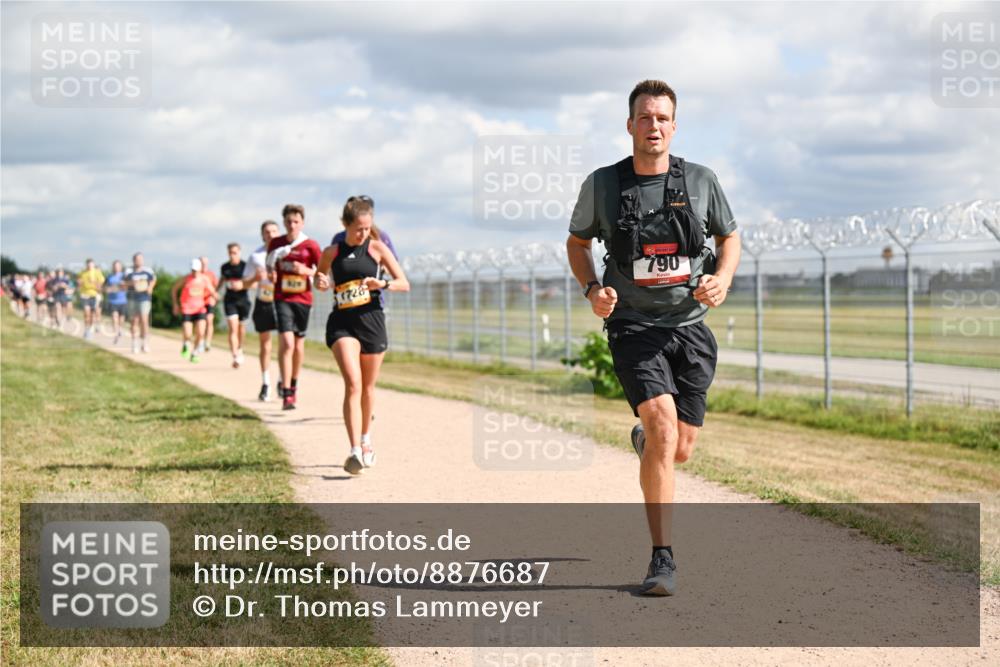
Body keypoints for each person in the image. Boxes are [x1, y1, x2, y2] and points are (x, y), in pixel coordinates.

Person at [566, 79, 741, 596]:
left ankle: (647, 444)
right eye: (645, 117)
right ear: (630, 125)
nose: (654, 126)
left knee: (678, 449)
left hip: (689, 326)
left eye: (663, 118)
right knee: (665, 430)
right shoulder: (603, 185)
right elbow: (577, 244)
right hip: (633, 326)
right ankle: (662, 559)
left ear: (674, 125)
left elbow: (729, 237)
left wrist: (722, 279)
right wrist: (591, 287)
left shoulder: (703, 181)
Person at [316, 196, 409, 474]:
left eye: (367, 228)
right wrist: (320, 282)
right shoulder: (331, 252)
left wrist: (382, 283)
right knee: (353, 383)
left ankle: (366, 439)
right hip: (342, 322)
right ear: (345, 224)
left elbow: (404, 283)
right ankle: (354, 450)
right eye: (359, 228)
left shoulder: (378, 248)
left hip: (372, 321)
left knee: (368, 387)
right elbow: (321, 280)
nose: (364, 233)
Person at [266, 204, 322, 410]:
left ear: (302, 223)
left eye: (296, 221)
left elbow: (323, 273)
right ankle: (287, 392)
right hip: (282, 298)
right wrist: (271, 272)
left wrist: (305, 270)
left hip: (303, 300)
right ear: (284, 223)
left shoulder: (311, 246)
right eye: (288, 222)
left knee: (298, 346)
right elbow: (269, 266)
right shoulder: (277, 243)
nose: (292, 225)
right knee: (287, 343)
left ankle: (293, 382)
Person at [330, 195, 398, 308]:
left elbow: (392, 265)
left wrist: (377, 269)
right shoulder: (339, 238)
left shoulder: (381, 237)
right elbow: (331, 265)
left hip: (373, 299)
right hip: (344, 300)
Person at [244, 220, 282, 401]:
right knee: (265, 345)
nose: (271, 235)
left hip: (283, 300)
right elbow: (245, 283)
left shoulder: (286, 252)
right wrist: (255, 278)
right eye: (267, 232)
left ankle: (283, 380)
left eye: (274, 231)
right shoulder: (255, 256)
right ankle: (266, 382)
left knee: (286, 343)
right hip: (264, 301)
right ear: (262, 235)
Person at [171, 258, 218, 363]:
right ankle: (186, 343)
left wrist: (215, 297)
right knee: (188, 333)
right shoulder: (186, 279)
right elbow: (174, 289)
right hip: (187, 309)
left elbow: (212, 290)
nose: (194, 272)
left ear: (200, 269)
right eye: (193, 270)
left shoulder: (204, 279)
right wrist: (175, 304)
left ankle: (195, 352)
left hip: (200, 309)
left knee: (201, 333)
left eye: (196, 270)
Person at [220, 243, 252, 368]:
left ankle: (239, 348)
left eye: (235, 252)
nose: (233, 255)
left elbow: (252, 283)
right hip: (230, 301)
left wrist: (242, 285)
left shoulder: (246, 267)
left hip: (243, 301)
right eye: (230, 253)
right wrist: (214, 293)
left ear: (239, 252)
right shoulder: (224, 267)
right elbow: (222, 281)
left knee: (241, 329)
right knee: (232, 328)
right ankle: (235, 356)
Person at [126, 253, 157, 353]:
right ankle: (134, 342)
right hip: (132, 298)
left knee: (144, 320)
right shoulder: (129, 271)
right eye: (137, 259)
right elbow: (124, 283)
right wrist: (133, 283)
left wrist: (150, 287)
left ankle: (144, 342)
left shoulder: (148, 271)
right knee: (134, 321)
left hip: (144, 298)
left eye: (140, 259)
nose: (138, 261)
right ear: (133, 260)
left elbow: (153, 279)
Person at [77, 259, 105, 339]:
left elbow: (101, 283)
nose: (89, 266)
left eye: (91, 264)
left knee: (92, 314)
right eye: (88, 264)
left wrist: (96, 285)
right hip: (85, 295)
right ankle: (86, 330)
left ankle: (90, 329)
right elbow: (79, 281)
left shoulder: (97, 273)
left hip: (94, 295)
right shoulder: (82, 273)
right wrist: (79, 283)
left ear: (93, 265)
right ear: (86, 265)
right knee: (86, 313)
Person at [104, 260, 129, 344]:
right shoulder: (109, 277)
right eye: (115, 266)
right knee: (114, 318)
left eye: (118, 266)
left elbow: (127, 287)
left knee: (121, 319)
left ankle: (120, 330)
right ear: (113, 267)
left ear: (120, 267)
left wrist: (120, 287)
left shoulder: (124, 276)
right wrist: (108, 289)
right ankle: (116, 334)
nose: (116, 267)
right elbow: (105, 288)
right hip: (112, 301)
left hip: (122, 301)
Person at [200, 255, 220, 352]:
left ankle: (207, 342)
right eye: (202, 263)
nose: (204, 265)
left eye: (205, 263)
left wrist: (214, 298)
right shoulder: (196, 274)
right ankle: (200, 340)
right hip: (198, 302)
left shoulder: (211, 275)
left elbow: (216, 288)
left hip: (209, 301)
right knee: (201, 322)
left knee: (209, 320)